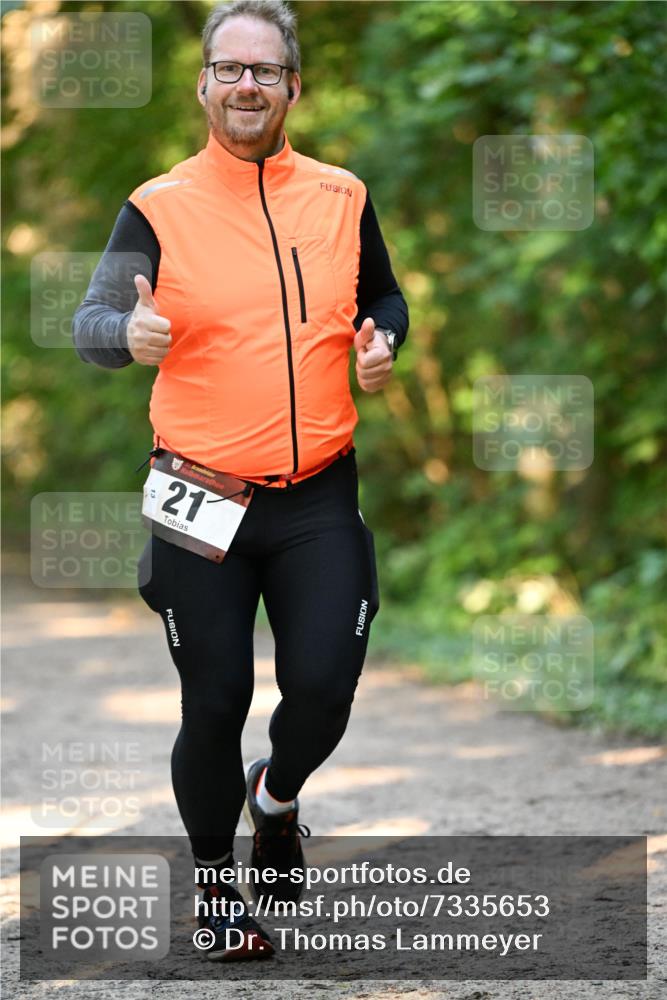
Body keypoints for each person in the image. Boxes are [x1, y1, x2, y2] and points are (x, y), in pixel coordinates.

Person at [72, 0, 408, 962]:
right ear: (204, 85)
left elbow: (381, 292)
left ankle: (278, 795)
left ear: (293, 85)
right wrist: (123, 335)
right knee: (212, 699)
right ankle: (219, 894)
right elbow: (94, 319)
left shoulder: (341, 195)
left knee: (324, 684)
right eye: (229, 70)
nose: (247, 85)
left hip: (315, 494)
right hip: (199, 494)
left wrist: (383, 337)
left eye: (265, 70)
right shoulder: (159, 202)